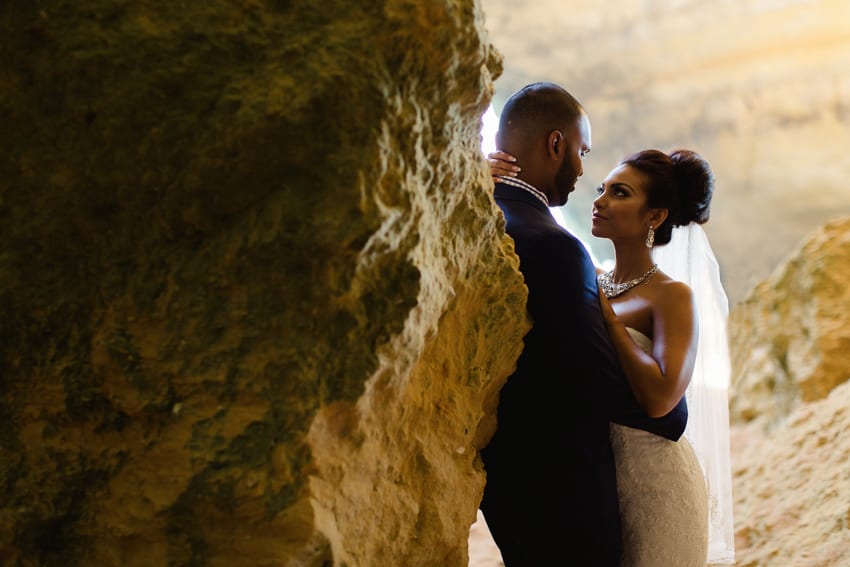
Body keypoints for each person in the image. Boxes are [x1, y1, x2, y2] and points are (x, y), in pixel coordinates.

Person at [489, 147, 735, 565]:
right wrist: (486, 181)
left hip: (657, 479)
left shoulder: (672, 295)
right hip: (599, 476)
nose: (600, 200)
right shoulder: (589, 277)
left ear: (654, 217)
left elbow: (661, 398)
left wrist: (609, 318)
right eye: (603, 188)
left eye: (620, 193)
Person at [479, 81, 640, 566]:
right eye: (581, 150)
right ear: (555, 145)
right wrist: (674, 413)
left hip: (508, 487)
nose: (582, 169)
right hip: (566, 495)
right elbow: (592, 378)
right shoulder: (553, 244)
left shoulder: (481, 218)